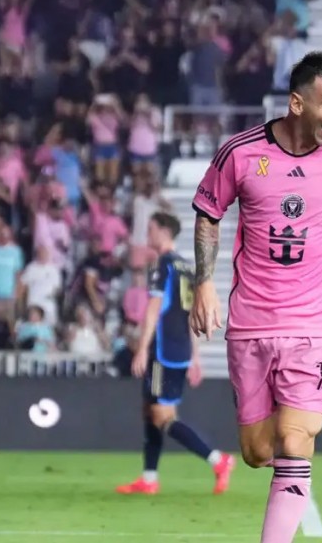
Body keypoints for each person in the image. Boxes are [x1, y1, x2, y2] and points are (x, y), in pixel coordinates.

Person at [190, 52, 322, 543]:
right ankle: (300, 430)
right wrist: (204, 284)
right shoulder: (242, 153)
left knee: (294, 438)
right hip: (252, 321)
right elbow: (208, 213)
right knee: (255, 451)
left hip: (320, 319)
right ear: (297, 103)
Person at [116, 212, 235, 496]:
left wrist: (142, 349)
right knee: (150, 410)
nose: (149, 235)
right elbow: (191, 313)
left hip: (163, 349)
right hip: (180, 348)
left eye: (153, 229)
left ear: (165, 231)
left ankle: (218, 460)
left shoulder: (164, 264)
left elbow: (155, 309)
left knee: (163, 416)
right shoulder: (186, 267)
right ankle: (149, 478)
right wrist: (195, 356)